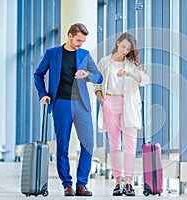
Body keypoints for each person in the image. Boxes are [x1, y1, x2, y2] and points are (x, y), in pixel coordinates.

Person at [34, 23, 103, 196]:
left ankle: (81, 184)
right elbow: (38, 74)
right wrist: (43, 94)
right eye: (79, 40)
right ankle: (67, 184)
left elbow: (99, 76)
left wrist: (87, 75)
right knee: (62, 145)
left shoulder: (85, 55)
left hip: (82, 105)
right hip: (61, 104)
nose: (81, 43)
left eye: (83, 41)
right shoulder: (52, 54)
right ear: (70, 36)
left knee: (88, 144)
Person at [95, 32, 149, 196]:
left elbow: (145, 80)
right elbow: (97, 86)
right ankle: (117, 182)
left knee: (130, 146)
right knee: (114, 145)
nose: (125, 51)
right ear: (118, 43)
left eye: (128, 49)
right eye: (123, 46)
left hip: (128, 106)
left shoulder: (132, 64)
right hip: (110, 104)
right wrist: (103, 103)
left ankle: (128, 183)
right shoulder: (105, 62)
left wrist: (129, 73)